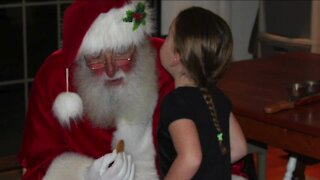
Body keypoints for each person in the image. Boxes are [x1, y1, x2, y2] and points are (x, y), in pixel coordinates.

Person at [18, 0, 174, 179]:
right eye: (96, 56)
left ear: (139, 45)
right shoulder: (56, 77)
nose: (110, 70)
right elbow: (37, 162)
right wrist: (83, 176)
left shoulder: (166, 64)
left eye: (121, 50)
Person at [157, 6, 248, 179]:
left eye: (168, 36)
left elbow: (190, 159)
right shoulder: (217, 96)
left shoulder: (176, 102)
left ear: (176, 56)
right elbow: (239, 147)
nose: (164, 39)